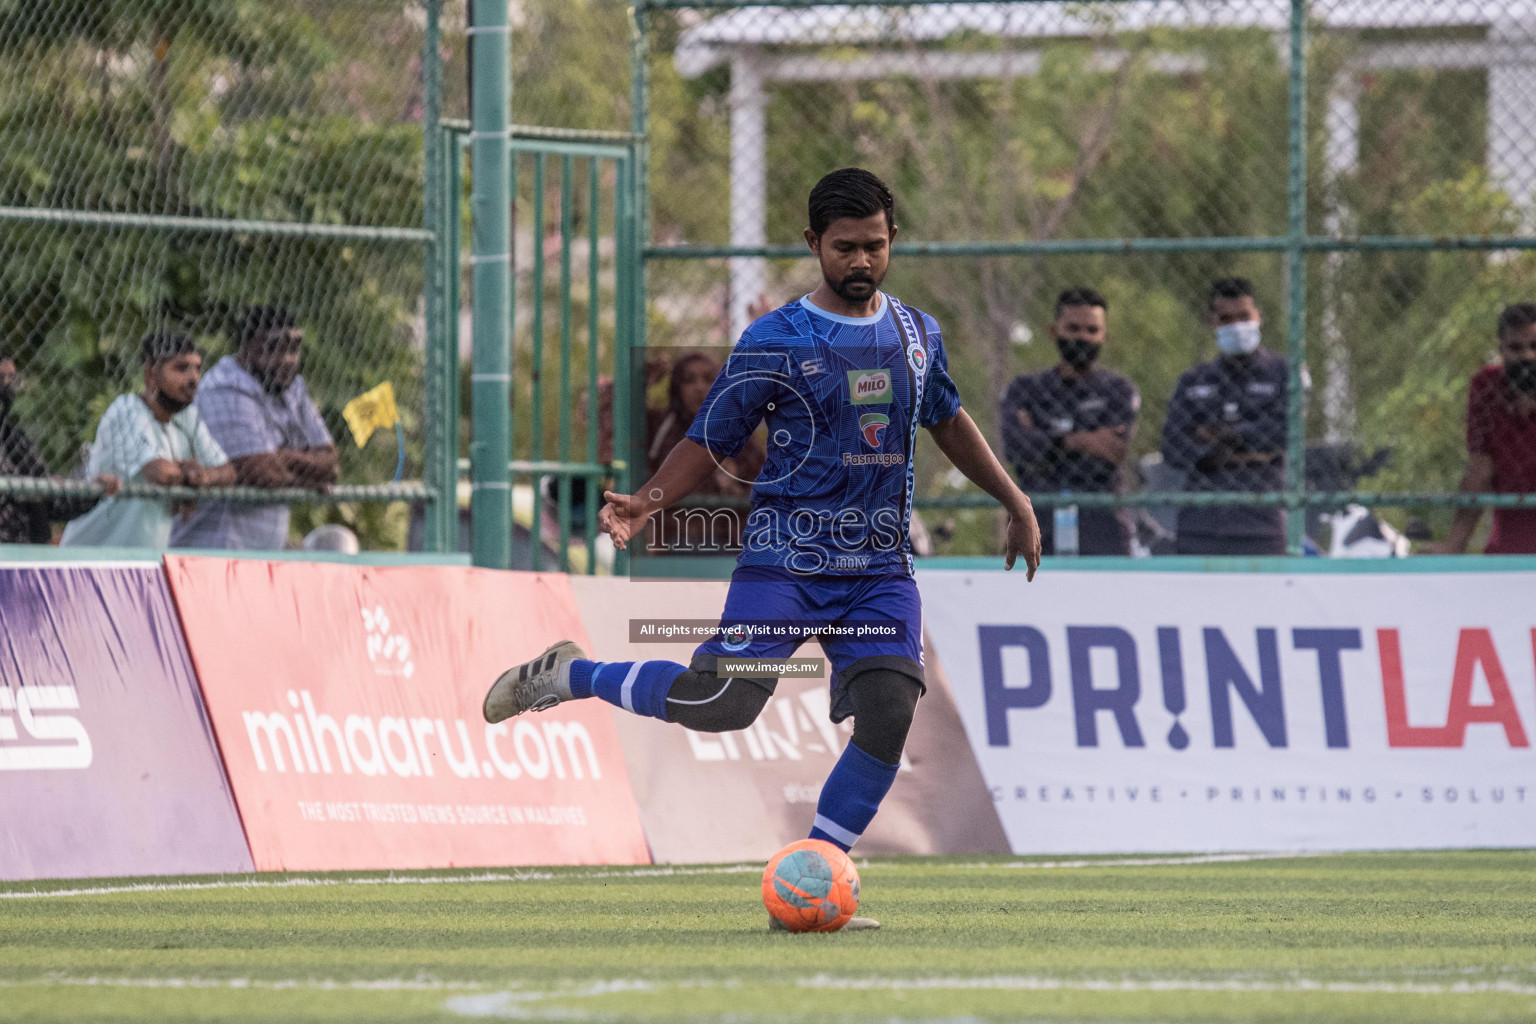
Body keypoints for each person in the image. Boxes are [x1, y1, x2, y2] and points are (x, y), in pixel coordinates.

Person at [482, 168, 1041, 930]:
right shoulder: (776, 339)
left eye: (874, 246)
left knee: (888, 714)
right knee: (724, 702)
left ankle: (809, 881)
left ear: (893, 241)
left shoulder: (917, 335)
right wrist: (649, 502)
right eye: (844, 247)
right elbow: (710, 433)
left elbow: (946, 419)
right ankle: (570, 672)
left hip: (879, 570)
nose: (861, 262)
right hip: (786, 563)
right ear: (814, 244)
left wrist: (1012, 499)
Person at [170, 305, 338, 550]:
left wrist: (281, 457)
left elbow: (330, 463)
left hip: (259, 560)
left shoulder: (292, 388)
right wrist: (304, 472)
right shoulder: (225, 386)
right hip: (211, 554)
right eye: (275, 347)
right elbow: (259, 471)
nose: (288, 359)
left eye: (293, 347)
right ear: (248, 350)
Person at [1161, 277, 1300, 556]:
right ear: (1211, 321)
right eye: (1226, 318)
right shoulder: (1193, 380)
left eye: (1243, 316)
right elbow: (1173, 447)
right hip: (1199, 528)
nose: (1236, 325)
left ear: (1258, 316)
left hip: (1261, 526)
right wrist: (1249, 449)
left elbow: (1284, 434)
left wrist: (1221, 437)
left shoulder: (1284, 373)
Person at [999, 287, 1139, 555]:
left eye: (1091, 330)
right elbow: (1017, 448)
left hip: (1102, 525)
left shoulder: (1119, 390)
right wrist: (1083, 440)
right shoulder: (1025, 388)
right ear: (1054, 331)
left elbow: (1111, 452)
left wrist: (1044, 442)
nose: (1082, 337)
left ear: (1104, 336)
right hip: (1036, 522)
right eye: (1073, 328)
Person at [61, 332, 233, 548]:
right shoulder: (127, 410)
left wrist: (202, 476)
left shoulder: (187, 417)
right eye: (181, 368)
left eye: (197, 368)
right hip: (92, 558)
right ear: (151, 374)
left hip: (142, 564)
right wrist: (189, 474)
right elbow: (158, 471)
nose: (194, 379)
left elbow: (228, 472)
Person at [1424, 302, 1536, 554]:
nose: (1528, 357)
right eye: (1516, 348)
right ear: (1502, 350)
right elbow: (1480, 467)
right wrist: (1455, 543)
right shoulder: (1488, 387)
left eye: (1534, 347)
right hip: (1509, 547)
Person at [645, 351, 765, 554]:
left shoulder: (741, 435)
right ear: (677, 388)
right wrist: (644, 382)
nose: (699, 388)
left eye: (709, 379)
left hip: (729, 547)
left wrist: (735, 487)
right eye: (689, 380)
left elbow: (767, 495)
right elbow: (603, 413)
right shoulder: (660, 426)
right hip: (670, 544)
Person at [0, 353, 119, 543]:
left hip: (24, 558)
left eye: (11, 378)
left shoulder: (14, 439)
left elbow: (54, 502)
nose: (7, 386)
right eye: (0, 378)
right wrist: (23, 492)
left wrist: (93, 489)